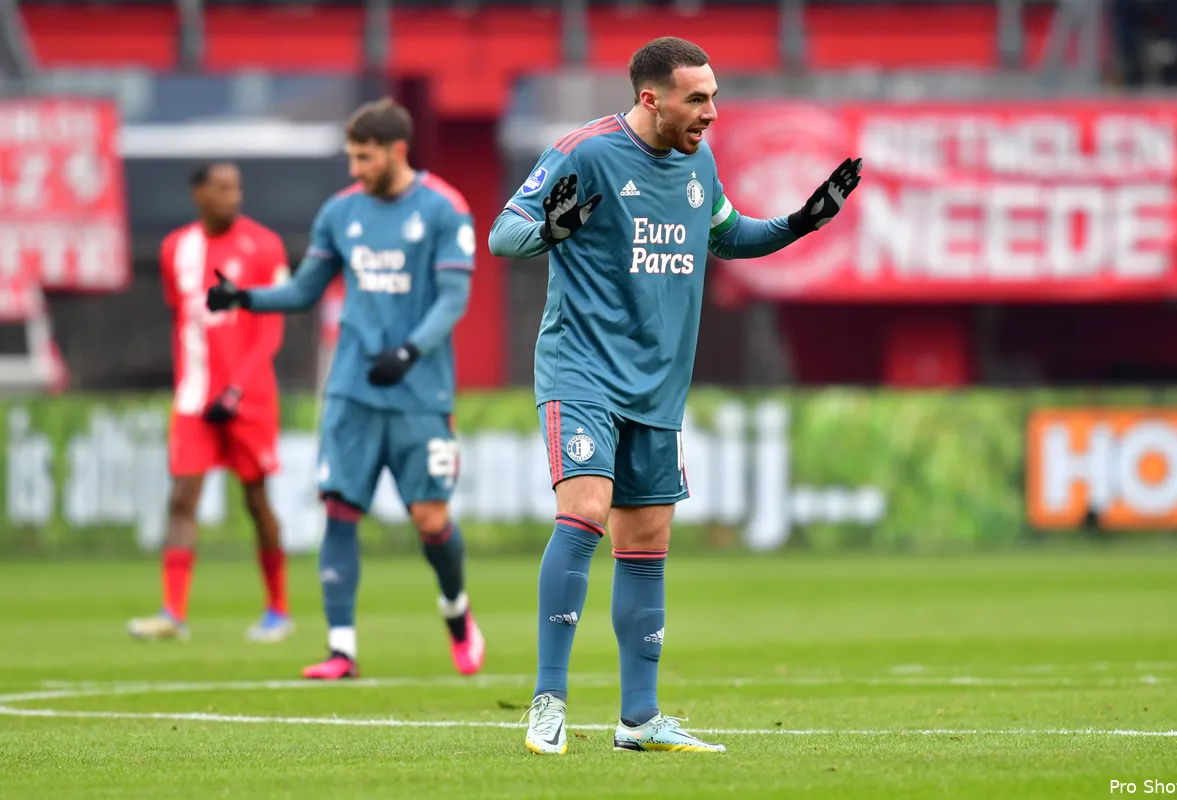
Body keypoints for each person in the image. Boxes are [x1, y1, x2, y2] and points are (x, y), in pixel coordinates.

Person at [489, 36, 862, 754]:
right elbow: (505, 236)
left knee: (647, 538)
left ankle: (639, 719)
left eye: (714, 96)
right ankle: (548, 702)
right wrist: (550, 230)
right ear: (650, 98)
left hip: (658, 383)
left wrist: (801, 222)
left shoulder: (699, 163)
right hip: (582, 369)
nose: (712, 112)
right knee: (586, 511)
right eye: (697, 99)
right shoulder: (585, 152)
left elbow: (729, 235)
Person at [206, 98, 485, 679]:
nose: (355, 169)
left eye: (365, 157)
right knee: (338, 508)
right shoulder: (340, 212)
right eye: (351, 157)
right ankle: (341, 650)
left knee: (431, 520)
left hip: (420, 393)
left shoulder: (444, 209)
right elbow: (304, 290)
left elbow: (454, 300)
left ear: (397, 151)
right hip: (352, 390)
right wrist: (244, 298)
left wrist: (409, 352)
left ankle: (457, 612)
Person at [129, 162, 293, 643]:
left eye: (237, 188)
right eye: (222, 188)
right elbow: (183, 316)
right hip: (194, 398)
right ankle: (172, 613)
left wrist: (237, 387)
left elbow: (271, 326)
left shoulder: (264, 245)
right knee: (182, 497)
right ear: (199, 193)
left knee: (257, 501)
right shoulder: (174, 248)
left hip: (249, 398)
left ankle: (278, 609)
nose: (233, 197)